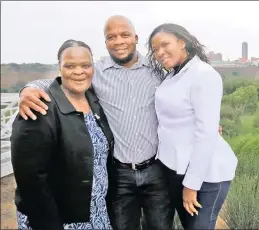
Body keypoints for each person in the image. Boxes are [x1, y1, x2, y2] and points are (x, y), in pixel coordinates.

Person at [17, 15, 173, 230]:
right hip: (119, 174)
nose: (119, 41)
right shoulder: (94, 71)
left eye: (125, 35)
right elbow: (63, 78)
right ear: (106, 42)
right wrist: (27, 89)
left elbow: (182, 94)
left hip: (155, 169)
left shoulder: (157, 70)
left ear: (136, 38)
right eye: (111, 37)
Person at [11, 39, 114, 229]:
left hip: (96, 214)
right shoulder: (39, 108)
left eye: (85, 65)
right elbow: (31, 181)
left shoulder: (94, 100)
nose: (78, 71)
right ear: (59, 68)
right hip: (59, 220)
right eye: (70, 66)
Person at [148, 23, 238, 229]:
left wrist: (191, 185)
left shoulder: (203, 74)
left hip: (206, 176)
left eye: (165, 45)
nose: (160, 52)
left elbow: (206, 134)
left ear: (182, 42)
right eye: (155, 49)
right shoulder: (173, 74)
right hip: (177, 168)